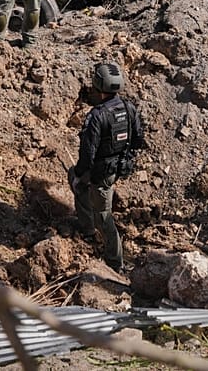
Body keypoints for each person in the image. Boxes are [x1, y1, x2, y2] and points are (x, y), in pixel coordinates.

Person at [71, 62, 145, 272]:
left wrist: (79, 174)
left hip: (101, 173)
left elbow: (88, 153)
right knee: (83, 188)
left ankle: (115, 262)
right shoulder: (129, 108)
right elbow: (139, 139)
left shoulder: (97, 115)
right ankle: (87, 228)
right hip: (119, 166)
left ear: (98, 85)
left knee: (104, 215)